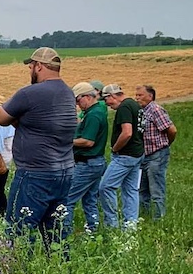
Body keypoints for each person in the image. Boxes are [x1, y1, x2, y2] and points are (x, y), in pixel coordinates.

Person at [0, 48, 77, 247]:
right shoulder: (68, 92)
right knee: (55, 234)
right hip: (64, 171)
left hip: (34, 173)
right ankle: (59, 263)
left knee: (19, 230)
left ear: (39, 66)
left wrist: (16, 117)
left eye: (30, 66)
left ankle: (21, 265)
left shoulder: (30, 93)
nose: (30, 70)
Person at [98, 84, 144, 230]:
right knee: (131, 190)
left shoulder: (124, 107)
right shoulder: (134, 105)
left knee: (105, 187)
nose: (107, 104)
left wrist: (115, 148)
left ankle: (112, 225)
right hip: (137, 154)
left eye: (106, 100)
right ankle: (130, 227)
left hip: (125, 156)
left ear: (112, 96)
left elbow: (127, 132)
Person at [65, 83, 108, 233]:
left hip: (87, 164)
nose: (77, 105)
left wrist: (66, 142)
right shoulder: (95, 112)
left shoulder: (93, 115)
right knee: (90, 199)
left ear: (88, 97)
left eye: (78, 100)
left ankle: (65, 232)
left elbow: (88, 141)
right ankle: (93, 229)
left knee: (67, 199)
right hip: (96, 163)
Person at [135, 84, 176, 220]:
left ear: (150, 96)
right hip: (144, 155)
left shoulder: (156, 110)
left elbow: (172, 130)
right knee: (142, 190)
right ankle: (144, 217)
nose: (137, 98)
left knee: (156, 189)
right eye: (136, 95)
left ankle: (159, 218)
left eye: (140, 95)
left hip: (157, 155)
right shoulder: (141, 111)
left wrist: (165, 144)